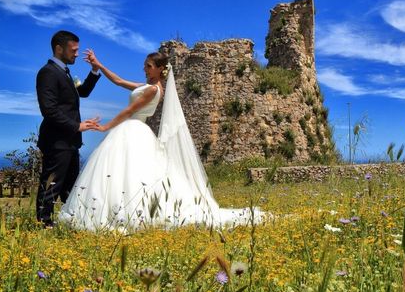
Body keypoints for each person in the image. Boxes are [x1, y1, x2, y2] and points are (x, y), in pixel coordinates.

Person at [58, 49, 258, 231]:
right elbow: (119, 81)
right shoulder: (147, 86)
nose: (144, 68)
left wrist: (105, 127)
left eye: (149, 66)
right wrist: (98, 64)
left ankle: (130, 213)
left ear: (161, 69)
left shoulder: (153, 90)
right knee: (124, 171)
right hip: (133, 130)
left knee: (131, 173)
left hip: (134, 129)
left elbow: (130, 111)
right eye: (145, 65)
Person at [35, 30, 101, 227]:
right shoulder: (47, 73)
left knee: (70, 186)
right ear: (58, 48)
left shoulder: (64, 72)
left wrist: (95, 70)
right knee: (51, 184)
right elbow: (49, 109)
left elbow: (83, 93)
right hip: (56, 140)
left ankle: (71, 221)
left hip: (70, 141)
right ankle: (43, 224)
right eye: (73, 50)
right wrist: (77, 125)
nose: (76, 54)